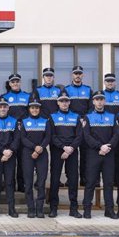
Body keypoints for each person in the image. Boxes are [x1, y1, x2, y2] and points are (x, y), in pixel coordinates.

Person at [81, 91, 119, 219]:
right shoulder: (88, 117)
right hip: (94, 153)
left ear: (104, 101)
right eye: (97, 99)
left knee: (108, 183)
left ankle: (109, 210)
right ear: (93, 101)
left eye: (101, 99)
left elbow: (116, 134)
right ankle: (87, 210)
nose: (99, 101)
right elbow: (86, 136)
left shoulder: (112, 116)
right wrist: (99, 146)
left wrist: (107, 146)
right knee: (91, 182)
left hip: (109, 153)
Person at [48, 90, 83, 218]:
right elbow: (51, 136)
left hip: (72, 151)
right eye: (62, 101)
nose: (64, 103)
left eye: (66, 101)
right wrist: (63, 147)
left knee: (73, 180)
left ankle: (73, 209)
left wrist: (70, 148)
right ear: (58, 102)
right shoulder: (52, 117)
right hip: (58, 151)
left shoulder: (76, 116)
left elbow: (79, 135)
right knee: (55, 180)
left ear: (69, 102)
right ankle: (53, 208)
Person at [19, 99, 51, 218]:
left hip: (42, 153)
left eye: (37, 108)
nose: (34, 110)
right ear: (29, 109)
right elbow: (23, 138)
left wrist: (40, 148)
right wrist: (34, 148)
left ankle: (40, 208)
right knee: (28, 183)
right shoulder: (24, 122)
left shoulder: (45, 121)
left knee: (41, 182)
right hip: (28, 153)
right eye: (32, 108)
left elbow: (48, 137)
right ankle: (31, 208)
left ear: (39, 109)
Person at [65, 66, 92, 187]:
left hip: (85, 124)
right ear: (72, 75)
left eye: (79, 73)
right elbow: (64, 105)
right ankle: (69, 178)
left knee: (85, 153)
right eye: (75, 73)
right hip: (71, 124)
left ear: (82, 75)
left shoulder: (88, 89)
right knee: (71, 152)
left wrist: (84, 118)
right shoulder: (66, 89)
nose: (77, 75)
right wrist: (75, 118)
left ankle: (84, 178)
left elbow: (92, 106)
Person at [3, 73, 30, 192]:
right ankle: (10, 185)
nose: (15, 83)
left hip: (24, 132)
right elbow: (1, 113)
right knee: (9, 160)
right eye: (13, 82)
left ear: (20, 83)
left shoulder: (27, 96)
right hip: (10, 133)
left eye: (17, 81)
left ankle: (21, 185)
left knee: (23, 160)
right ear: (9, 84)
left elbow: (31, 113)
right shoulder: (4, 97)